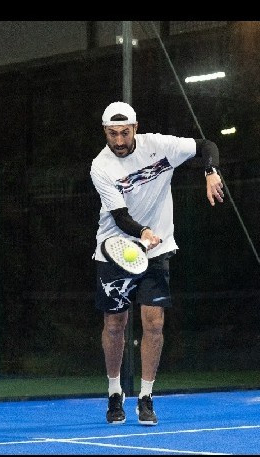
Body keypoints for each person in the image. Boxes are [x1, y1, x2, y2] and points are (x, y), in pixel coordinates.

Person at [90, 101, 224, 425]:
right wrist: (143, 232)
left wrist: (211, 172)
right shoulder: (101, 167)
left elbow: (207, 146)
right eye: (112, 134)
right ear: (105, 132)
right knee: (114, 325)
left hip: (156, 250)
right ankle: (114, 392)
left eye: (124, 133)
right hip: (116, 249)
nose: (119, 140)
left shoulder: (160, 146)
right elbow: (120, 216)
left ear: (135, 128)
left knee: (154, 323)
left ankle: (146, 397)